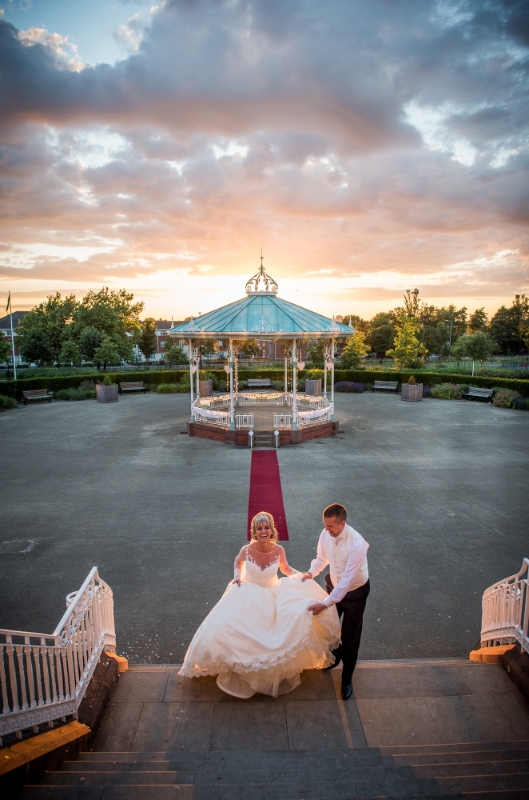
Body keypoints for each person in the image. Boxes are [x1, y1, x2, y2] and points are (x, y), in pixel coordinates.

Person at [179, 511, 340, 699]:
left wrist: (301, 576)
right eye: (259, 528)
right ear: (254, 532)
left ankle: (264, 672)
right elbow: (238, 562)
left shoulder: (279, 550)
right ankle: (241, 665)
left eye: (266, 528)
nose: (263, 531)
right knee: (234, 629)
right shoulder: (246, 550)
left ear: (272, 530)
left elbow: (285, 569)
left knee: (285, 624)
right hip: (248, 592)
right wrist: (237, 577)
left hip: (271, 594)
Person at [302, 503, 370, 701]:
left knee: (350, 638)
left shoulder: (357, 544)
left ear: (343, 524)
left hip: (355, 593)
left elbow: (348, 581)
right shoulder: (326, 534)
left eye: (330, 526)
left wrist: (324, 604)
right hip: (334, 586)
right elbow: (321, 559)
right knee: (328, 626)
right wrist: (311, 573)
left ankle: (347, 679)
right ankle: (335, 655)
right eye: (325, 525)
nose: (326, 529)